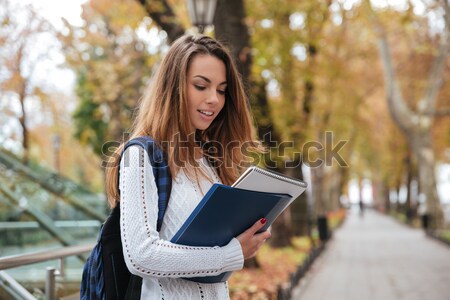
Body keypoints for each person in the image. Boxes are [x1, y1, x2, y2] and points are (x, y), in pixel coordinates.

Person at [105, 34, 271, 299]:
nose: (214, 99)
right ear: (173, 88)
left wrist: (249, 232)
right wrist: (230, 254)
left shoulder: (210, 161)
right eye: (201, 86)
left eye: (221, 90)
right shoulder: (140, 155)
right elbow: (140, 255)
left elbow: (211, 252)